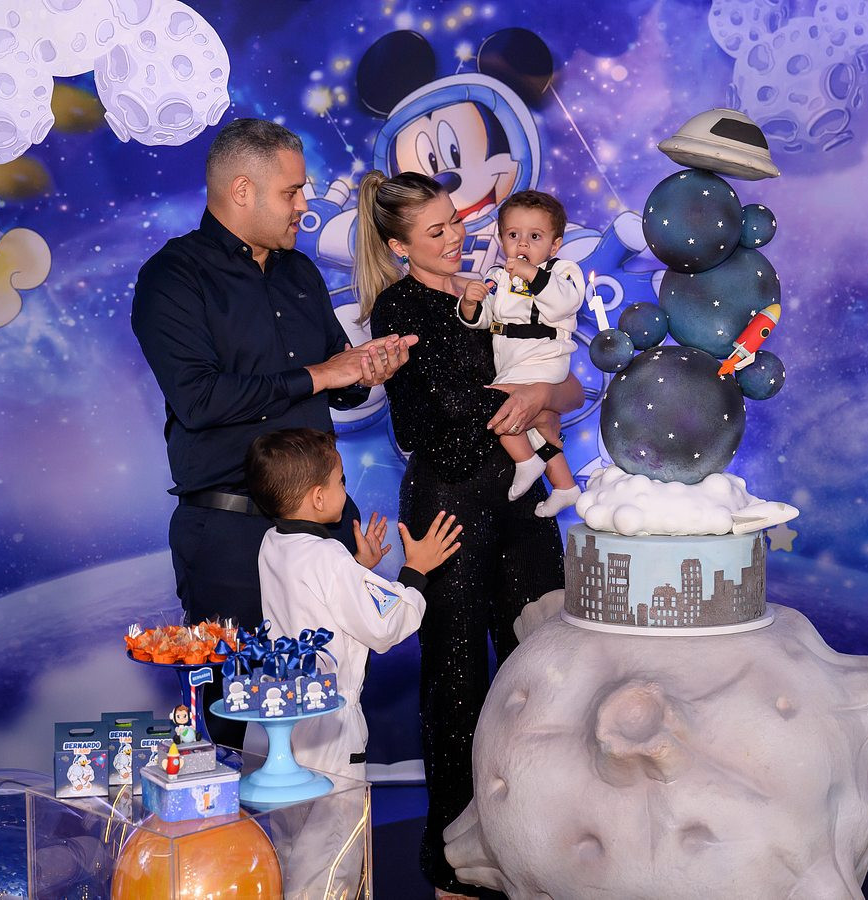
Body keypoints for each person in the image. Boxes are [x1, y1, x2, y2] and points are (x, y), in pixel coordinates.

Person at [130, 119, 415, 746]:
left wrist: (365, 371)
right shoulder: (174, 276)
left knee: (335, 704)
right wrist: (321, 374)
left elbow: (336, 380)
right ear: (242, 190)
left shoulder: (299, 272)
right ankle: (238, 816)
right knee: (237, 719)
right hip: (229, 536)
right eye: (291, 192)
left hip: (325, 529)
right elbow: (200, 399)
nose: (304, 205)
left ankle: (330, 815)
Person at [353, 170, 580, 899]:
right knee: (457, 679)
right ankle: (454, 859)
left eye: (456, 219)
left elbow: (570, 383)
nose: (456, 235)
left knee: (542, 663)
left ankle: (540, 841)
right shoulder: (400, 305)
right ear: (399, 246)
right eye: (437, 230)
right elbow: (451, 403)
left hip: (521, 498)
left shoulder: (501, 285)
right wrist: (528, 395)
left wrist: (543, 390)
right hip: (450, 501)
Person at [245, 427, 461, 899]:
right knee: (331, 857)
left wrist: (359, 572)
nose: (346, 490)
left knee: (286, 848)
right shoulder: (328, 556)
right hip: (328, 730)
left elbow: (318, 608)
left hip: (280, 719)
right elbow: (384, 626)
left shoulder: (271, 544)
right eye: (341, 481)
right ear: (319, 497)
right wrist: (415, 571)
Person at [457, 190, 585, 517]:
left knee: (496, 403)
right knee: (533, 426)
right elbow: (487, 319)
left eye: (535, 237)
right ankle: (565, 486)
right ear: (501, 239)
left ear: (554, 245)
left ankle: (526, 462)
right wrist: (471, 304)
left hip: (544, 359)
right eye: (514, 235)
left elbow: (565, 302)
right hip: (513, 363)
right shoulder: (499, 277)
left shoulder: (562, 272)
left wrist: (531, 274)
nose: (523, 244)